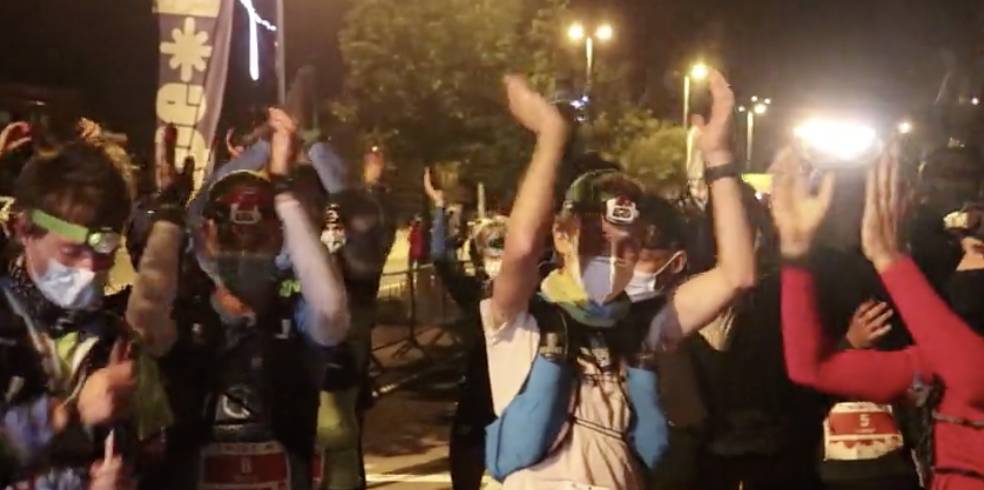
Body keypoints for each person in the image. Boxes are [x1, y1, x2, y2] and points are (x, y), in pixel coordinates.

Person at [482, 68, 753, 490]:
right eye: (596, 240)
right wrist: (551, 137)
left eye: (627, 246)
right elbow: (520, 249)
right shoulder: (521, 318)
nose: (611, 257)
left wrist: (718, 158)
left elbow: (737, 275)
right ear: (562, 236)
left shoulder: (642, 325)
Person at [158, 108, 350, 489]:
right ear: (205, 238)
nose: (243, 247)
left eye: (259, 235)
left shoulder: (296, 323)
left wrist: (283, 194)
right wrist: (170, 208)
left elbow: (331, 308)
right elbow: (146, 314)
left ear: (281, 241)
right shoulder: (182, 319)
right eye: (230, 234)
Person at [774, 146, 984, 488]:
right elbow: (810, 368)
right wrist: (796, 253)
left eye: (979, 250)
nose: (967, 259)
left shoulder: (961, 364)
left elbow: (973, 378)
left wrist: (891, 260)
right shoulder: (935, 363)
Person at [0, 141, 157, 489]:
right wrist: (72, 415)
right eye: (71, 252)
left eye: (104, 254)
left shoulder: (120, 342)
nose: (90, 268)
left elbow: (155, 451)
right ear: (24, 230)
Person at [424, 168, 503, 490]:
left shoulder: (534, 291)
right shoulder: (474, 291)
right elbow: (441, 259)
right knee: (467, 447)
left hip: (514, 390)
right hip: (480, 385)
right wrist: (440, 208)